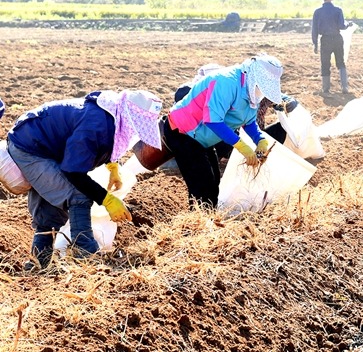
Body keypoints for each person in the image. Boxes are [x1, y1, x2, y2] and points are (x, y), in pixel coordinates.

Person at [6, 90, 163, 269]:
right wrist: (107, 199)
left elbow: (105, 143)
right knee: (78, 196)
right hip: (30, 147)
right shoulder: (96, 124)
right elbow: (73, 172)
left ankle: (39, 263)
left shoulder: (112, 116)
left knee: (53, 208)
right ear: (127, 114)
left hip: (44, 146)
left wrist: (113, 167)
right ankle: (86, 256)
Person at [160, 54, 283, 209]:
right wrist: (241, 146)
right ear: (253, 77)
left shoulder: (251, 92)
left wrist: (260, 140)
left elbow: (249, 120)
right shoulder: (226, 82)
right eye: (261, 87)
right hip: (183, 131)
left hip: (203, 137)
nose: (261, 92)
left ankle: (205, 219)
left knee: (213, 182)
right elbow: (212, 120)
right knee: (203, 184)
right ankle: (198, 224)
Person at [311, 0, 352, 94]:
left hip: (325, 40)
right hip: (337, 39)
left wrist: (315, 44)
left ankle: (326, 88)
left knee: (325, 64)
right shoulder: (338, 10)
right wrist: (348, 24)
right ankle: (344, 87)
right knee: (341, 63)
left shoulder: (317, 12)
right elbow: (342, 26)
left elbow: (314, 29)